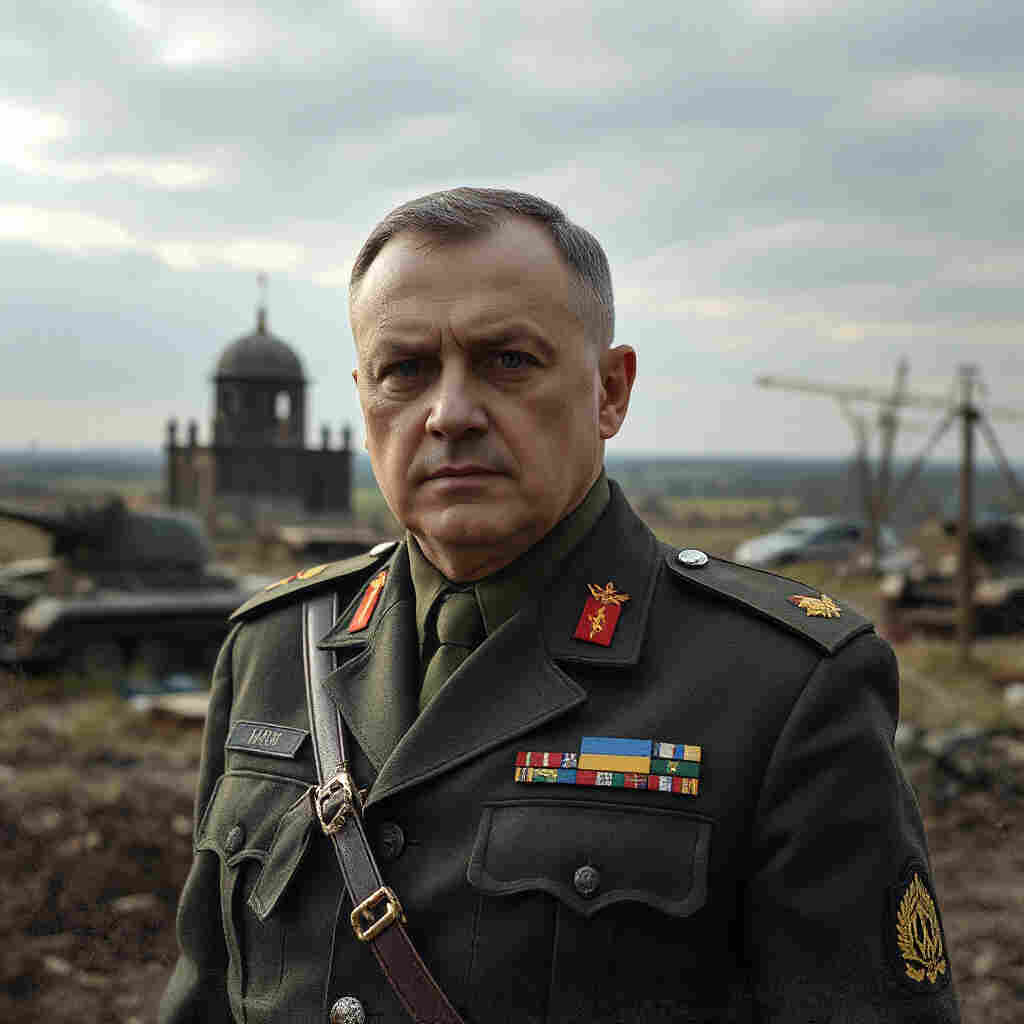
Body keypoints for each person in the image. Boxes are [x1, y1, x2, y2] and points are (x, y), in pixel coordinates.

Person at [160, 188, 959, 1024]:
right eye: (405, 370)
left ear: (610, 391)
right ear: (364, 404)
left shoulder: (778, 685)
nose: (450, 415)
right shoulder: (277, 647)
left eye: (508, 361)